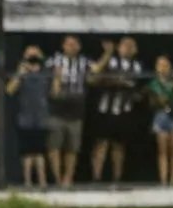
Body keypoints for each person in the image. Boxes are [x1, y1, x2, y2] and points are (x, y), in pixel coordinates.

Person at [47, 35, 107, 188]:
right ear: (63, 46)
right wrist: (56, 81)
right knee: (54, 146)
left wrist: (108, 53)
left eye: (74, 44)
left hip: (76, 108)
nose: (71, 47)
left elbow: (97, 69)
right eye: (68, 44)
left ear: (79, 47)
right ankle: (57, 178)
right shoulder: (55, 60)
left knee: (72, 147)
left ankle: (68, 178)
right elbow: (45, 71)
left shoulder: (83, 61)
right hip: (57, 107)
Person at [90, 37, 141, 184]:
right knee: (101, 144)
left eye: (132, 46)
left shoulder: (136, 66)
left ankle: (117, 177)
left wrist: (117, 81)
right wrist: (108, 53)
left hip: (124, 111)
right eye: (125, 45)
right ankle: (97, 177)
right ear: (119, 48)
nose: (128, 48)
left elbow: (133, 84)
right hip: (106, 110)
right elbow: (96, 75)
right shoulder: (111, 61)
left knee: (119, 146)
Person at [6, 45, 51, 188]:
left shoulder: (46, 71)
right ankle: (27, 182)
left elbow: (53, 90)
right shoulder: (21, 71)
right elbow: (10, 90)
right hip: (25, 118)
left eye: (35, 54)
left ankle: (43, 182)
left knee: (40, 152)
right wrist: (20, 73)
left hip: (42, 117)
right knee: (27, 153)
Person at [148, 55, 173, 187]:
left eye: (166, 65)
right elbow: (152, 100)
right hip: (160, 116)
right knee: (163, 150)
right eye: (160, 65)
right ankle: (164, 181)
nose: (163, 68)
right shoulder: (153, 83)